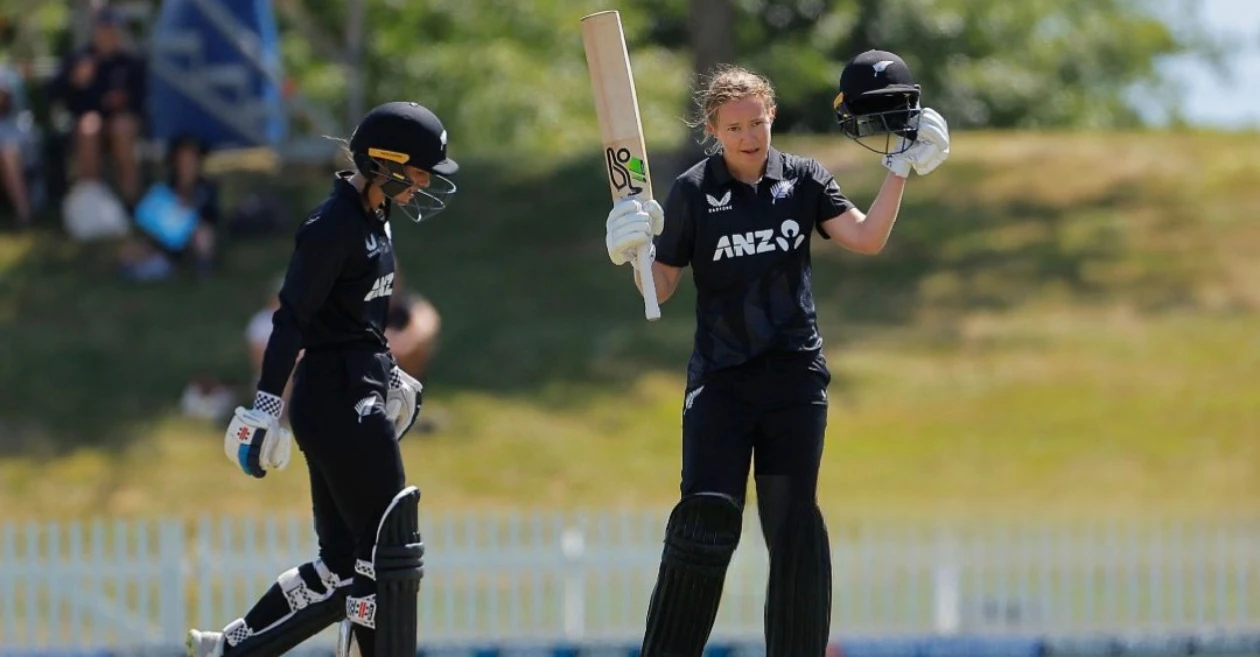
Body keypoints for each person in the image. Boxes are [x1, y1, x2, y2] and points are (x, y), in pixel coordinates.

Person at [602, 51, 950, 657]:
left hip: (794, 380)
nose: (748, 137)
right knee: (707, 520)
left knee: (792, 528)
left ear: (772, 116)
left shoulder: (805, 180)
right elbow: (659, 288)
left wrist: (899, 170)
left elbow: (866, 239)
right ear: (713, 131)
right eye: (733, 128)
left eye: (757, 123)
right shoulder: (690, 192)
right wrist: (632, 247)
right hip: (721, 382)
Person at [185, 101, 458, 657]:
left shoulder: (372, 216)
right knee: (387, 555)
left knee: (340, 566)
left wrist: (389, 372)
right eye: (421, 170)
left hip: (353, 391)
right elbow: (293, 318)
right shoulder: (332, 224)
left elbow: (355, 320)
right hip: (337, 402)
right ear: (386, 163)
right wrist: (264, 405)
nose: (426, 183)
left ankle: (234, 647)